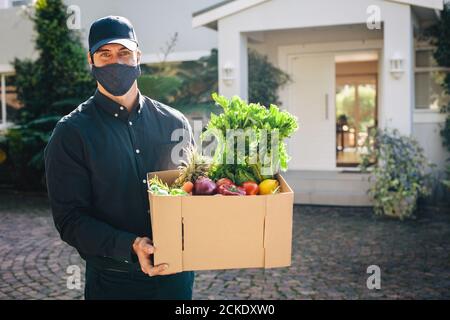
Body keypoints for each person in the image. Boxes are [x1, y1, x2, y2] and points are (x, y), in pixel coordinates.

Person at [44, 16, 195, 300]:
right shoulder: (71, 134)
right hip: (114, 283)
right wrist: (130, 245)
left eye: (124, 53)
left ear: (138, 56)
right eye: (105, 54)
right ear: (91, 60)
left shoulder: (175, 124)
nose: (116, 62)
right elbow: (70, 220)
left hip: (176, 279)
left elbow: (193, 192)